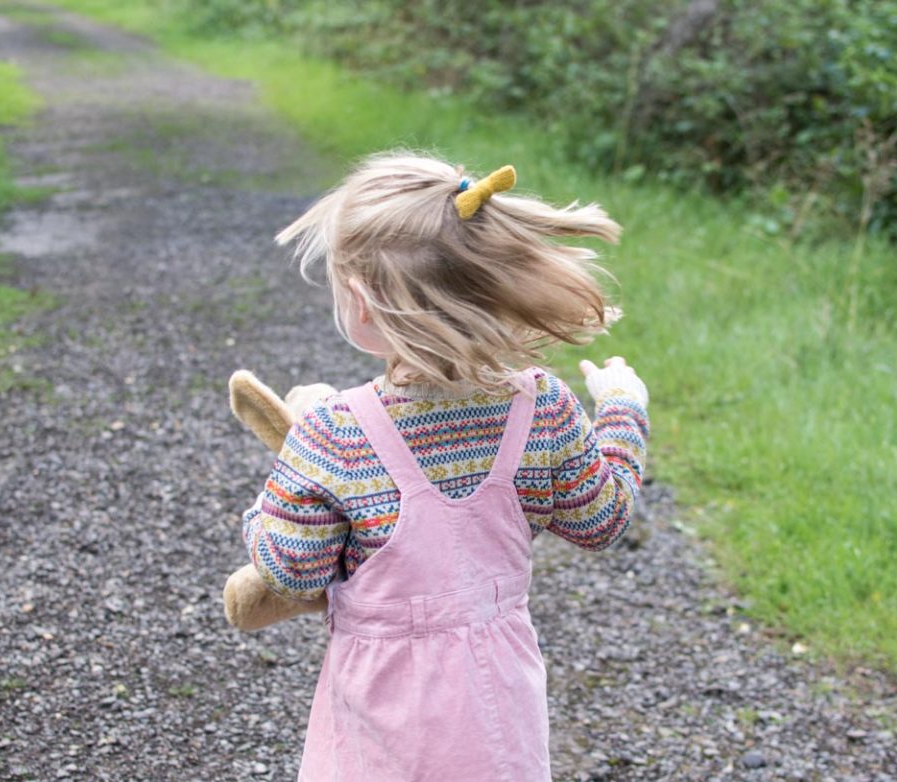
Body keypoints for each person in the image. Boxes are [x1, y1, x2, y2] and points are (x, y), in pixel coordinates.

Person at [243, 152, 650, 781]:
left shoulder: (333, 433)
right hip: (497, 717)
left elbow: (293, 572)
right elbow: (603, 519)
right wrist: (623, 411)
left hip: (380, 722)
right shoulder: (542, 408)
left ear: (361, 303)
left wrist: (270, 505)